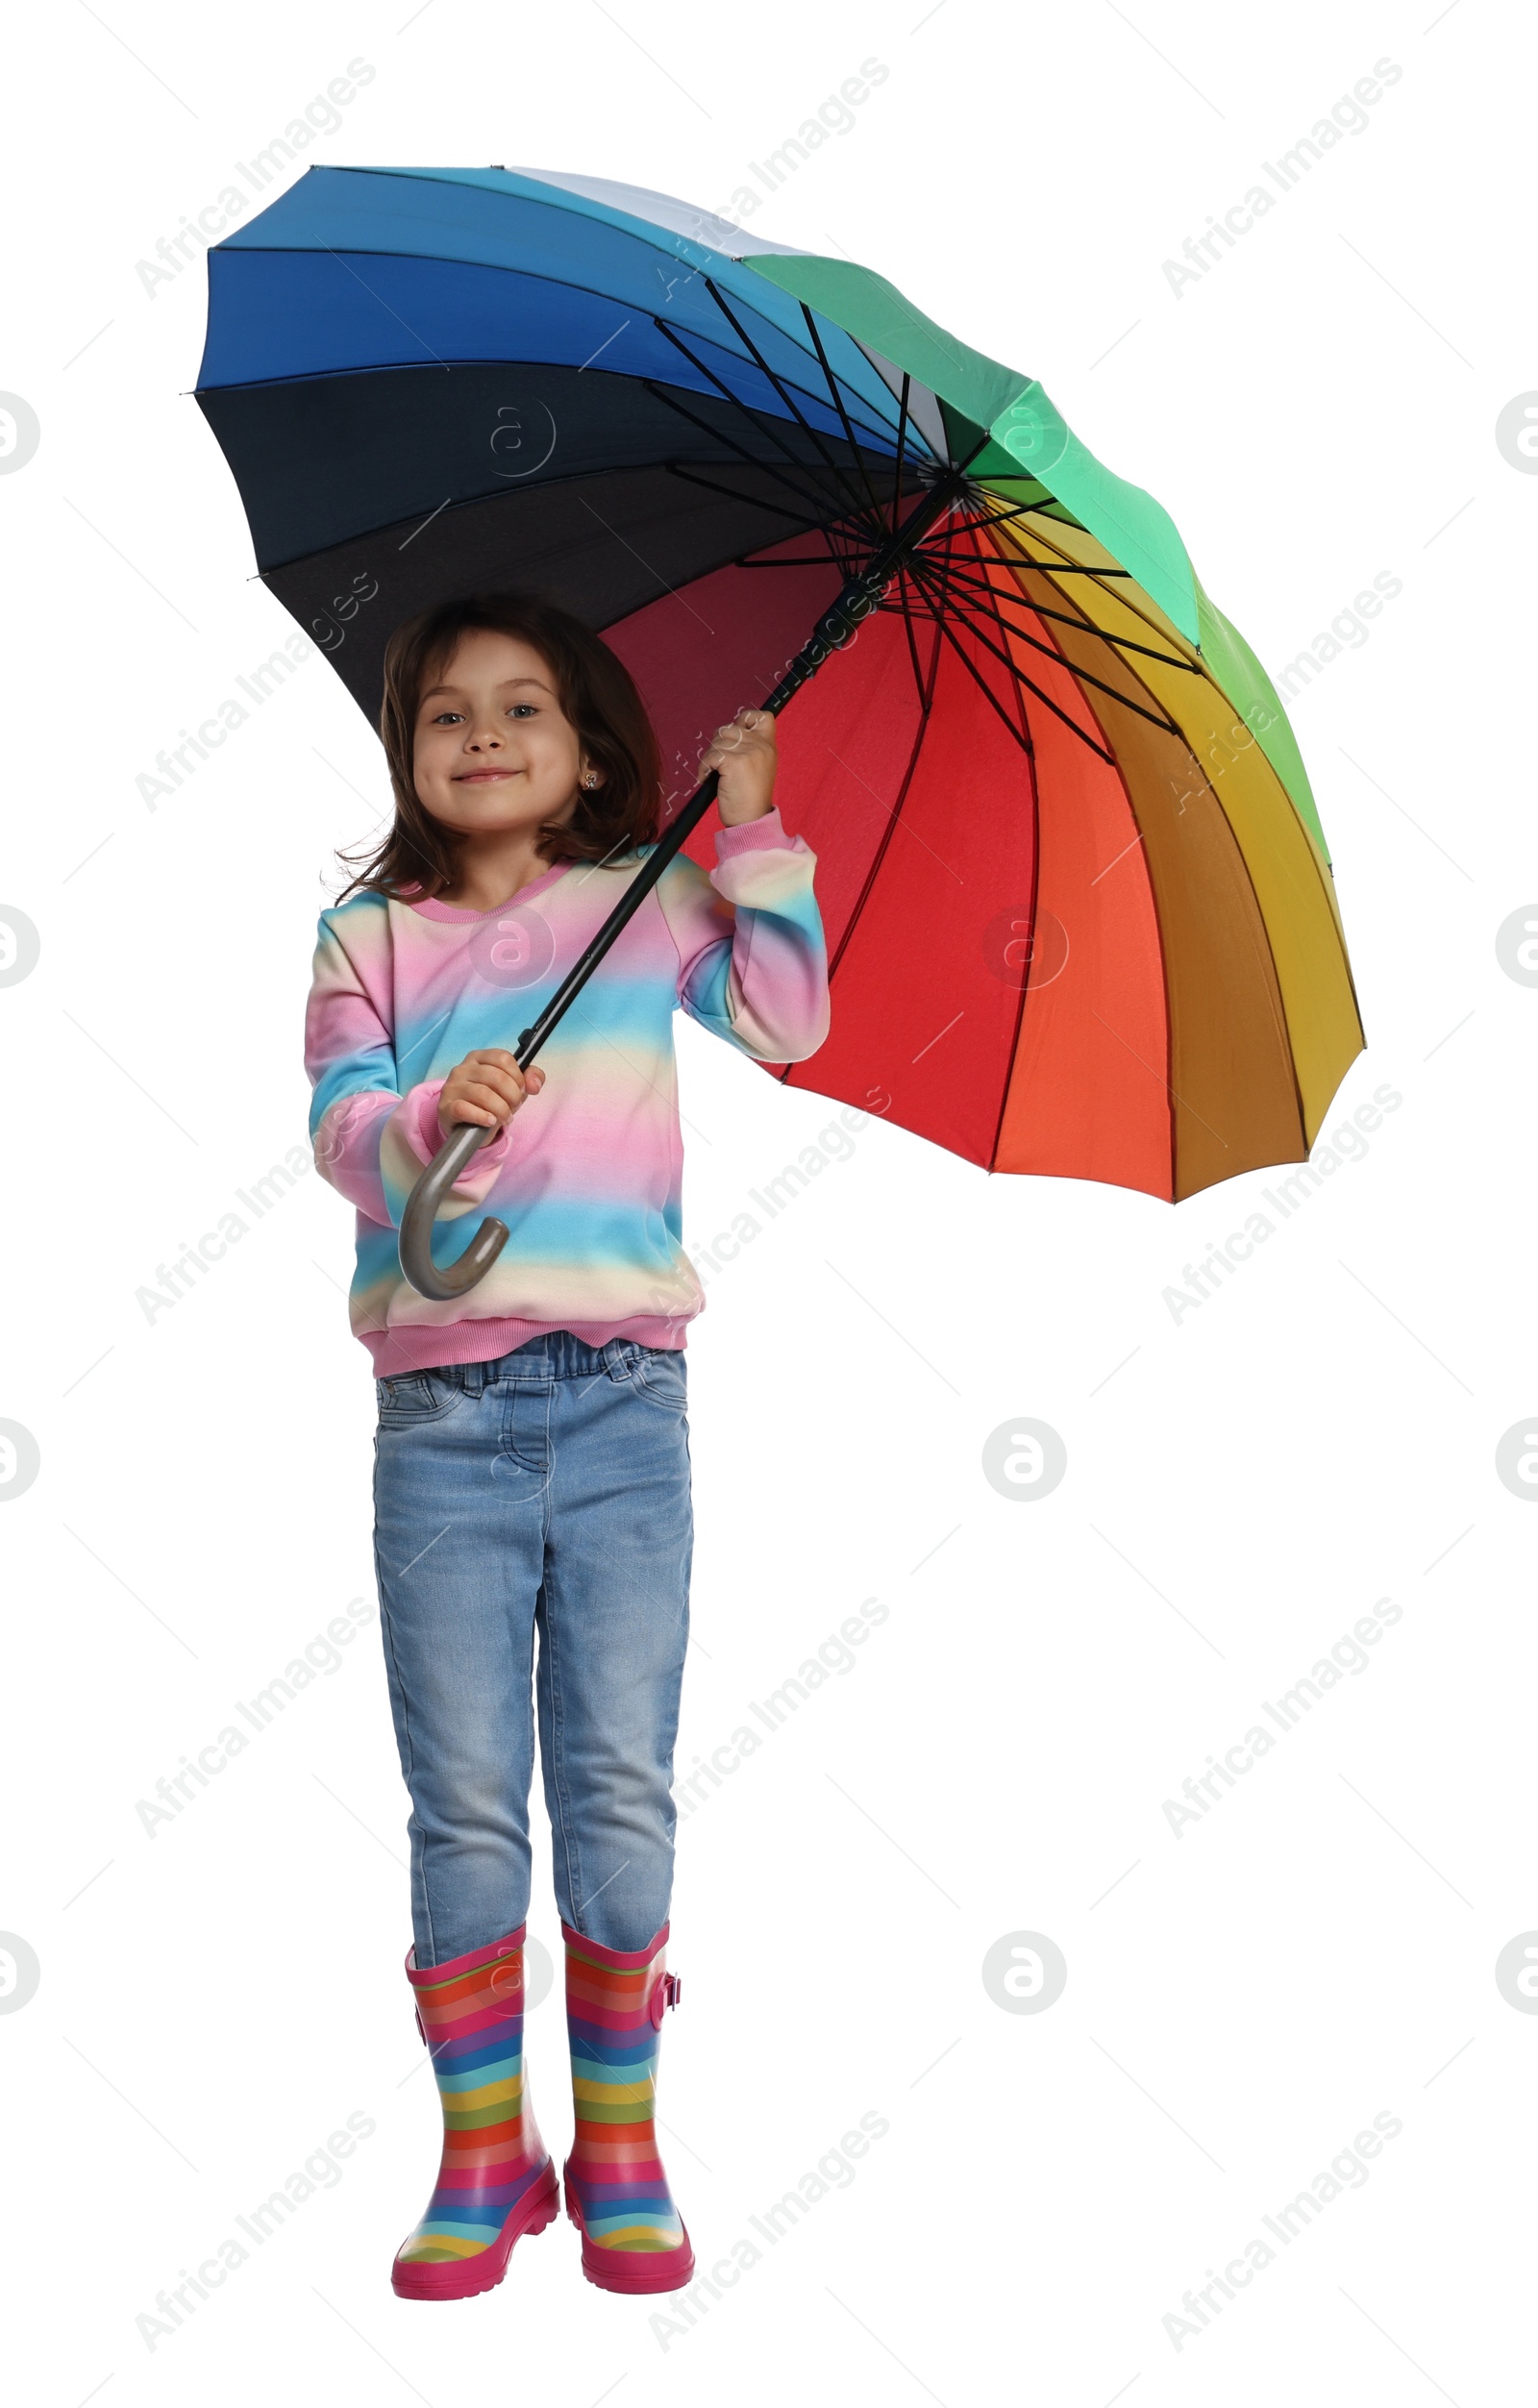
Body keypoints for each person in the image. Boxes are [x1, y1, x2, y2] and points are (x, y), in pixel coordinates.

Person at [304, 593, 829, 2299]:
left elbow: (784, 1020)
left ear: (592, 751)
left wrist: (748, 830)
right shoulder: (364, 933)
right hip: (441, 1421)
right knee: (464, 1801)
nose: (481, 734)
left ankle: (617, 2141)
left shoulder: (635, 900)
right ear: (408, 752)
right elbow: (333, 1127)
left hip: (624, 1407)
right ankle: (483, 2156)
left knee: (614, 1776)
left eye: (522, 708)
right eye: (446, 711)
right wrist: (415, 1120)